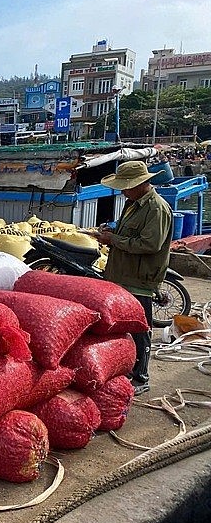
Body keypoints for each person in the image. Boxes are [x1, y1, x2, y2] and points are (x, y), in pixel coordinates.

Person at [93, 160, 173, 396]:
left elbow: (150, 244)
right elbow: (129, 235)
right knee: (124, 326)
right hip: (122, 274)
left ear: (139, 184)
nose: (123, 192)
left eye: (125, 187)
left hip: (140, 279)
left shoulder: (156, 208)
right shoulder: (132, 204)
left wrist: (114, 240)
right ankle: (127, 367)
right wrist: (111, 233)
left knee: (140, 329)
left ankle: (141, 376)